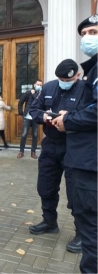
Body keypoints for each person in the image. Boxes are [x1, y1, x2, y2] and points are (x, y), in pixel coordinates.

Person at [52, 15, 97, 273]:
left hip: (89, 162)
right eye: (84, 33)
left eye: (93, 31)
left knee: (91, 233)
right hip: (79, 157)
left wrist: (69, 120)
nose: (87, 37)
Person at [29, 59, 84, 254]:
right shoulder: (49, 87)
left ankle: (82, 234)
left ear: (77, 76)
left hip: (73, 147)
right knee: (45, 185)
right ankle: (49, 221)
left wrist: (68, 117)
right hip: (50, 145)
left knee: (76, 192)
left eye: (67, 79)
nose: (63, 82)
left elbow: (89, 116)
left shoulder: (84, 89)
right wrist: (43, 116)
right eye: (60, 79)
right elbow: (32, 110)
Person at [17, 79, 43, 159]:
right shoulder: (28, 92)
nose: (39, 86)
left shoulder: (40, 94)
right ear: (34, 85)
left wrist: (35, 94)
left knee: (35, 135)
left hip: (36, 117)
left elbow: (40, 102)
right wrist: (21, 112)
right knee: (24, 134)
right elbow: (20, 102)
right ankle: (21, 151)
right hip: (27, 117)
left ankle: (33, 152)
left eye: (41, 85)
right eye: (38, 84)